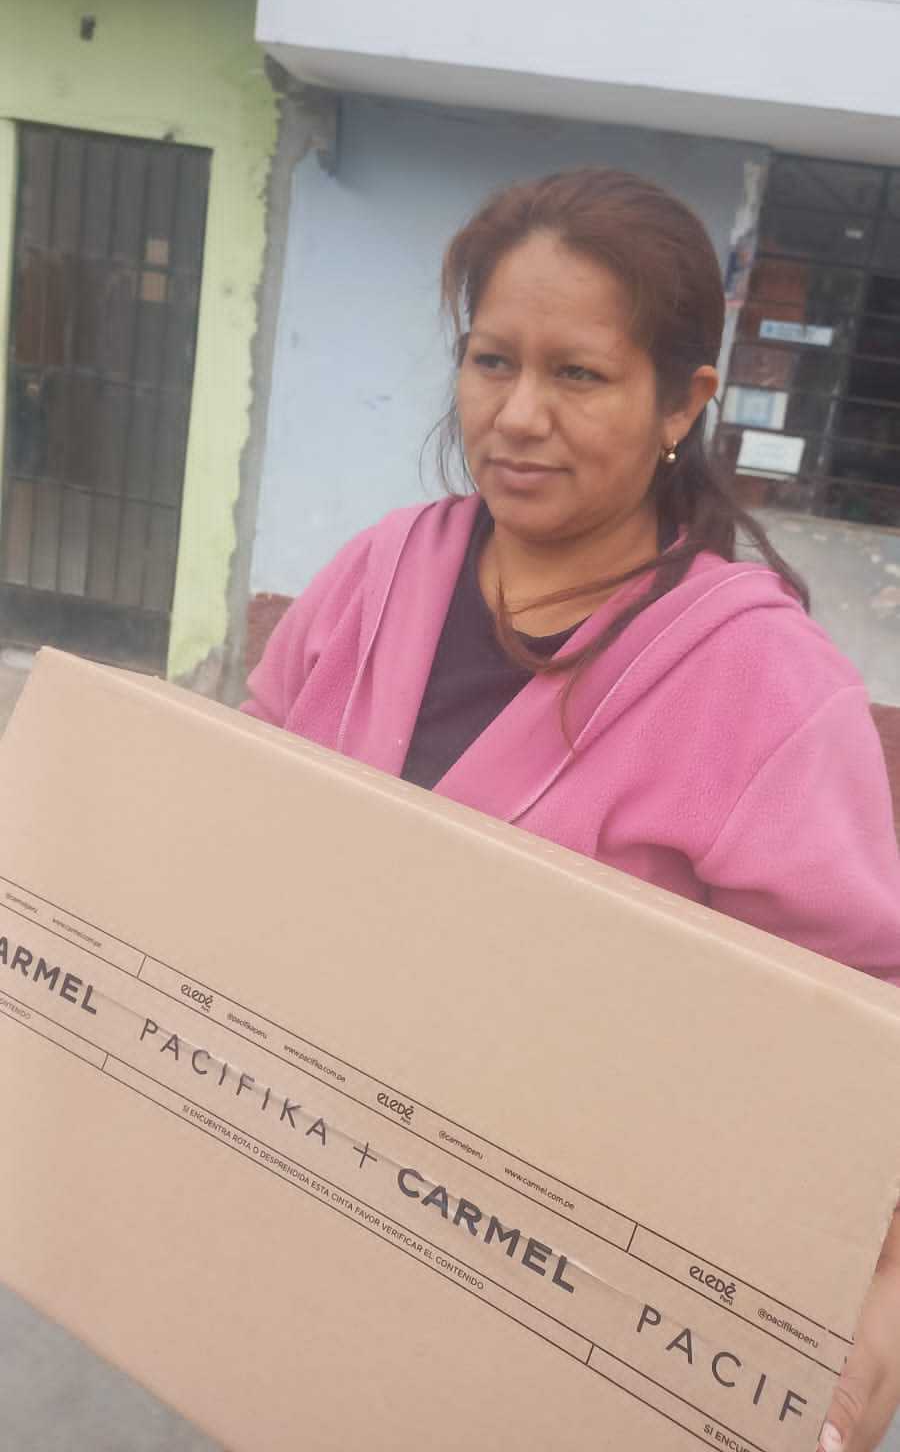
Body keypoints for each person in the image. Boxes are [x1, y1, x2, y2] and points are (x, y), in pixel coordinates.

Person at [244, 169, 900, 1452]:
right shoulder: (378, 575)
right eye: (492, 360)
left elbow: (863, 1042)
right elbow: (239, 801)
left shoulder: (766, 690)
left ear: (683, 403)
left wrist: (875, 1299)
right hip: (304, 1222)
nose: (518, 415)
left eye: (579, 375)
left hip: (559, 1321)